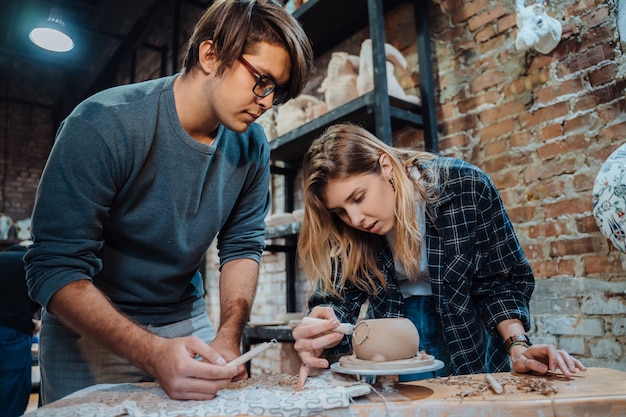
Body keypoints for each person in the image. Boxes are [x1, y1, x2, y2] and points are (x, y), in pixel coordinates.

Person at [24, 0, 313, 405]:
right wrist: (153, 353)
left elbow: (243, 245)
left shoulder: (252, 146)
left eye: (277, 92)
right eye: (262, 80)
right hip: (90, 329)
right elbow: (53, 267)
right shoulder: (102, 124)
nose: (266, 101)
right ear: (210, 55)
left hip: (183, 318)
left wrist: (228, 336)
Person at [292, 123, 586, 389]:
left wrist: (518, 346)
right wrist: (322, 330)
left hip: (467, 335)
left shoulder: (467, 187)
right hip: (392, 350)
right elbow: (337, 299)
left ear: (386, 167)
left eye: (358, 197)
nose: (355, 218)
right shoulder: (350, 229)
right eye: (340, 211)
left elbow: (500, 283)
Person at [0, 240, 41, 417]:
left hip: (12, 325)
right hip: (11, 332)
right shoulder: (33, 264)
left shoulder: (3, 257)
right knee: (11, 388)